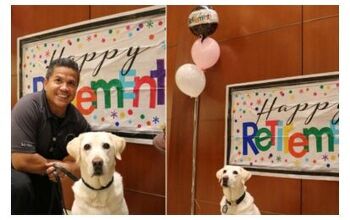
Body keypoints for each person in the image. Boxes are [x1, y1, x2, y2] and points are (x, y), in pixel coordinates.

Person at [11, 58, 91, 214]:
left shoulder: (77, 119)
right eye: (58, 80)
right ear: (46, 82)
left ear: (76, 89)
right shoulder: (28, 106)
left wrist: (68, 167)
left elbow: (93, 155)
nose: (64, 88)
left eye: (71, 83)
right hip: (12, 171)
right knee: (21, 185)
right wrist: (63, 166)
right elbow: (21, 160)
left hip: (46, 173)